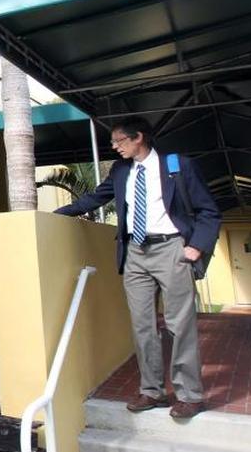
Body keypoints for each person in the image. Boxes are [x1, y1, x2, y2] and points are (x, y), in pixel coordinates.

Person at [54, 115, 220, 420]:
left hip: (172, 249)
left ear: (138, 137)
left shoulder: (176, 165)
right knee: (142, 324)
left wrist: (195, 246)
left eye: (119, 141)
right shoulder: (120, 170)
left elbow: (209, 211)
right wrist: (56, 214)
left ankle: (190, 395)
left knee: (179, 323)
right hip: (134, 252)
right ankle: (152, 391)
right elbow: (94, 198)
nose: (115, 147)